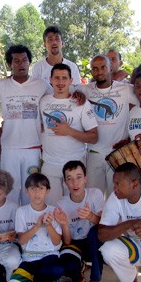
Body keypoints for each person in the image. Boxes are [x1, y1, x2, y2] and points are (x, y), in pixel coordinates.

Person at [0, 45, 52, 205]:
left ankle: (30, 226)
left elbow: (56, 100)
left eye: (24, 60)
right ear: (10, 64)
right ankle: (12, 227)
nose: (21, 64)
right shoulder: (0, 85)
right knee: (10, 190)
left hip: (33, 147)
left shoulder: (41, 84)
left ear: (29, 63)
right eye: (16, 61)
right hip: (9, 148)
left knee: (33, 190)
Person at [79, 54, 138, 196]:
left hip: (118, 154)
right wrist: (77, 95)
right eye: (95, 68)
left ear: (111, 68)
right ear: (91, 72)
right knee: (93, 197)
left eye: (103, 67)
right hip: (94, 153)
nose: (99, 72)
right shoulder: (85, 90)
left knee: (117, 197)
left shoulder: (125, 90)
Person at [40, 63, 98, 204]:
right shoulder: (43, 101)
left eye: (64, 78)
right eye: (57, 78)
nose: (60, 82)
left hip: (74, 164)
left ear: (71, 81)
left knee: (74, 209)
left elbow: (94, 137)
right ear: (50, 80)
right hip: (50, 164)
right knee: (52, 208)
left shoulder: (81, 103)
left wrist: (69, 131)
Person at [5, 173, 66, 282]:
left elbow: (57, 242)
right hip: (29, 259)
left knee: (58, 269)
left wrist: (49, 225)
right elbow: (21, 240)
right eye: (33, 188)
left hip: (49, 256)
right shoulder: (22, 211)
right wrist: (37, 225)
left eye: (41, 188)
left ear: (47, 191)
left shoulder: (53, 210)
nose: (37, 192)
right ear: (27, 191)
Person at [55, 161, 105, 282]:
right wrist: (64, 224)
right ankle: (78, 271)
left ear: (85, 179)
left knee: (94, 233)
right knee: (67, 263)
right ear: (65, 182)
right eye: (69, 179)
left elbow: (104, 226)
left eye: (78, 177)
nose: (74, 183)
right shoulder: (61, 204)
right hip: (75, 244)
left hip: (93, 243)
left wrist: (90, 216)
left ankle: (95, 281)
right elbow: (67, 240)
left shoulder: (95, 194)